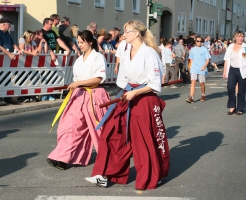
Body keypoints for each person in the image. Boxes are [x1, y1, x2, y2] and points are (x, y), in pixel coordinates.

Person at [85, 19, 170, 190]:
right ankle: (104, 174)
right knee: (111, 132)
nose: (124, 34)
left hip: (144, 98)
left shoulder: (149, 53)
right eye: (124, 31)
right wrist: (126, 92)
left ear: (137, 33)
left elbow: (154, 84)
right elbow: (123, 79)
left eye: (128, 31)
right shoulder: (125, 51)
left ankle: (152, 174)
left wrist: (135, 92)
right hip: (127, 96)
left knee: (143, 140)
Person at [47, 30, 109, 170]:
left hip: (94, 95)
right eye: (78, 42)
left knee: (99, 130)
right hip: (78, 96)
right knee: (71, 127)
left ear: (90, 42)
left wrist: (79, 83)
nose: (79, 45)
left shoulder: (98, 57)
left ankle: (110, 155)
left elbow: (98, 78)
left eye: (82, 42)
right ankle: (62, 157)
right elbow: (77, 80)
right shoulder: (79, 60)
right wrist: (76, 85)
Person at [0, 17, 23, 105]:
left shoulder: (7, 33)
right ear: (3, 24)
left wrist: (17, 50)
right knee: (0, 77)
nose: (10, 26)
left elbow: (13, 43)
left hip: (7, 60)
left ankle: (7, 96)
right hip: (1, 58)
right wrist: (9, 54)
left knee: (7, 77)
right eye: (8, 25)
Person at [223, 31, 246, 115]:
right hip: (232, 70)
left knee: (241, 90)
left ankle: (240, 108)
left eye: (242, 36)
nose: (240, 38)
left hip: (242, 71)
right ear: (235, 37)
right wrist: (225, 71)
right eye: (239, 36)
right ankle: (232, 106)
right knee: (230, 87)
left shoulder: (244, 47)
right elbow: (226, 59)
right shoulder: (231, 46)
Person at [186, 36, 210, 103]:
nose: (199, 42)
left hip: (202, 68)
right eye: (198, 41)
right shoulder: (193, 49)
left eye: (200, 41)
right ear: (195, 42)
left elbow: (208, 59)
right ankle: (191, 97)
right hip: (194, 68)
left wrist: (204, 66)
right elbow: (190, 58)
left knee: (201, 83)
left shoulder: (204, 49)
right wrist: (190, 66)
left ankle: (203, 94)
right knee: (193, 81)